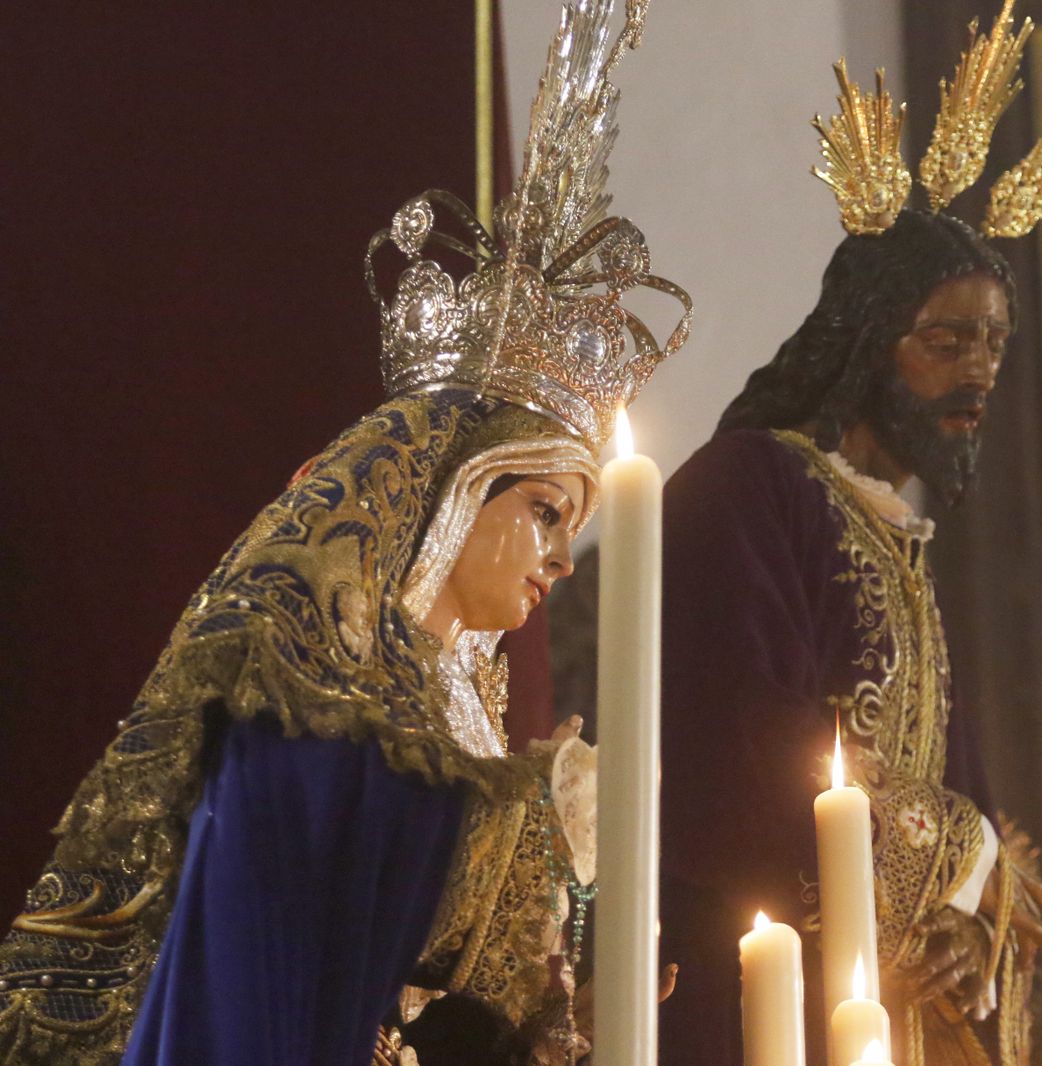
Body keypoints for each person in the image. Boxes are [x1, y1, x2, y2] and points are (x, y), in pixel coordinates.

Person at [0, 2, 689, 1062]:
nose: (560, 556)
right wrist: (525, 854)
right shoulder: (311, 685)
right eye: (544, 512)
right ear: (452, 492)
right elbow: (297, 918)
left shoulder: (463, 699)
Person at [656, 6, 1042, 1064]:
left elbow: (972, 807)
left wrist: (970, 924)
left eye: (993, 343)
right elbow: (742, 736)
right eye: (946, 340)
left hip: (904, 1001)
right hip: (774, 979)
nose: (977, 370)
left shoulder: (902, 541)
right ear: (865, 338)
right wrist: (965, 859)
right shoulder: (749, 487)